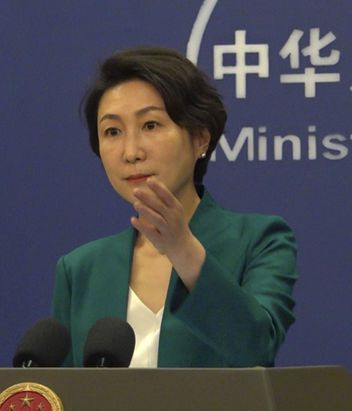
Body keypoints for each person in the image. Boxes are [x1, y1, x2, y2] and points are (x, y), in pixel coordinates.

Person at [52, 47, 298, 367]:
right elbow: (63, 389)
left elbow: (256, 348)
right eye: (112, 131)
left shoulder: (259, 240)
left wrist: (183, 250)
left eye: (150, 125)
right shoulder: (80, 269)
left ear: (200, 138)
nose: (131, 152)